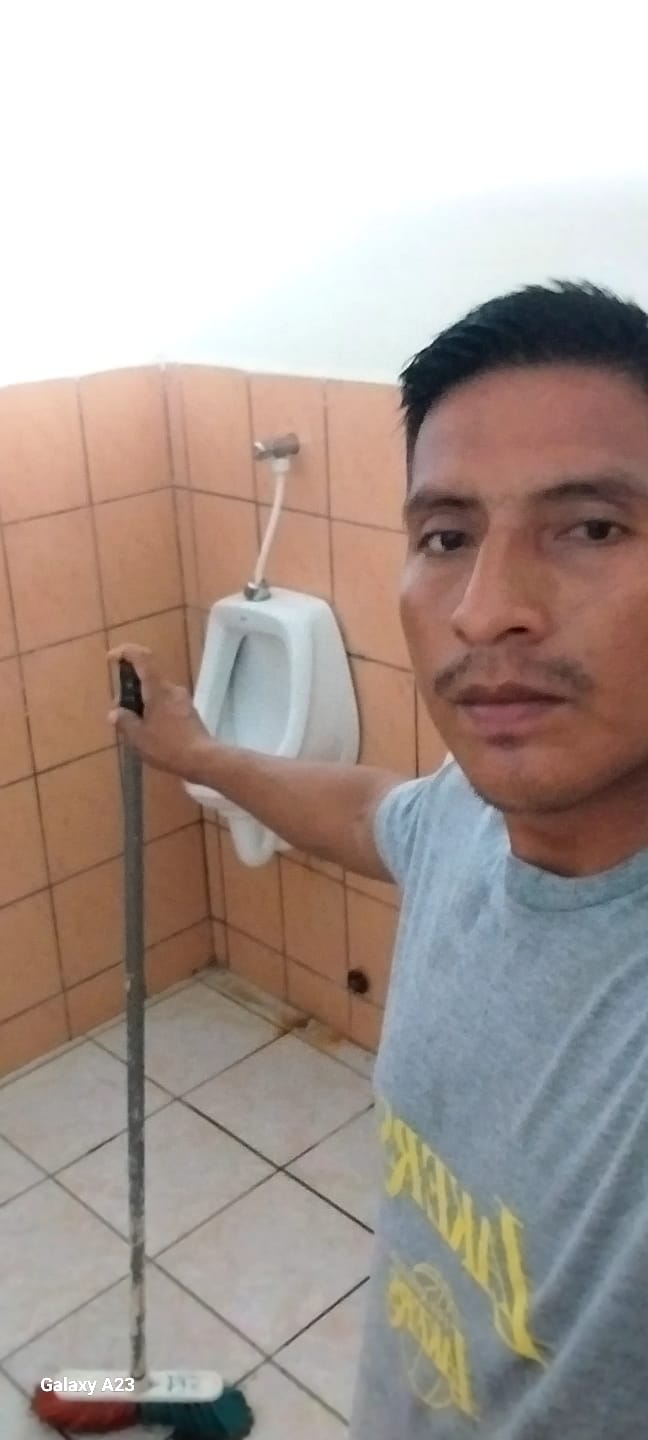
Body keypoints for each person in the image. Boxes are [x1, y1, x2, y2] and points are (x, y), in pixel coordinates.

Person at [109, 280, 648, 1438]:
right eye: (446, 537)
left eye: (593, 527)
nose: (486, 610)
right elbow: (372, 815)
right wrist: (199, 753)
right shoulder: (464, 817)